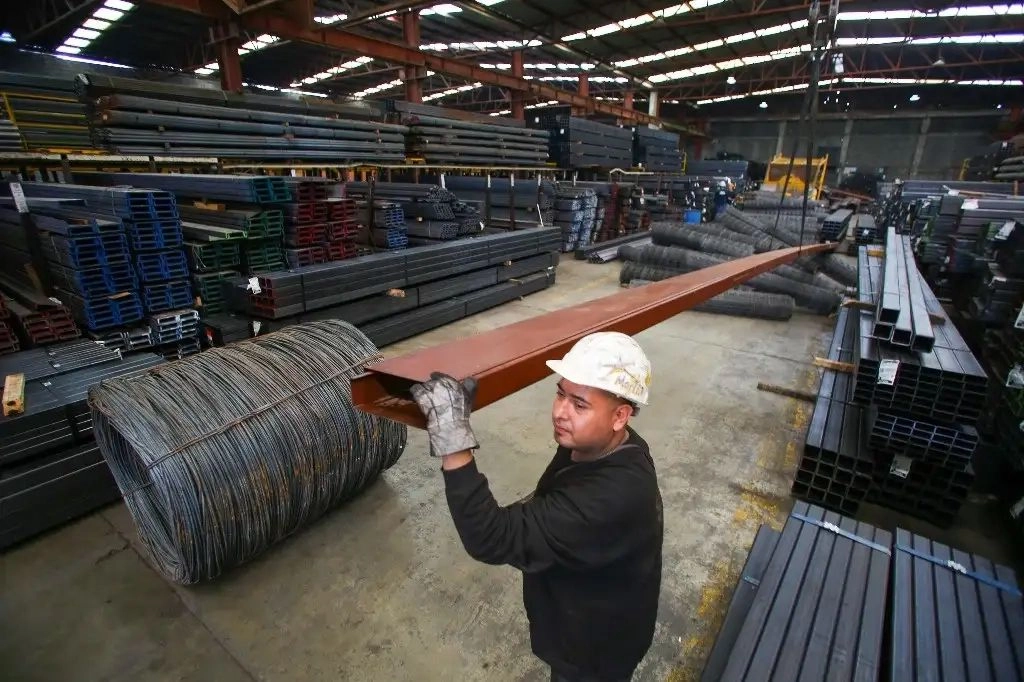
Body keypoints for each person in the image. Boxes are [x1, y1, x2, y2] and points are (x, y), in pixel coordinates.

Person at [410, 332, 664, 682]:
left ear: (620, 416)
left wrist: (453, 440)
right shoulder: (614, 443)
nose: (560, 412)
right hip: (594, 611)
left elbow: (491, 538)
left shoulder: (610, 498)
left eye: (579, 405)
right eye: (560, 394)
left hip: (594, 651)